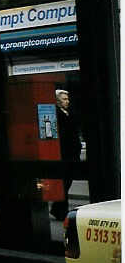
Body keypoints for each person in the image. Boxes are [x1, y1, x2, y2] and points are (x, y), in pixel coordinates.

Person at [51, 89, 80, 220]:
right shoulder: (56, 114)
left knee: (67, 182)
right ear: (57, 101)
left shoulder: (69, 113)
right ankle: (60, 209)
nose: (67, 101)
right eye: (64, 99)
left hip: (72, 152)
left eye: (67, 99)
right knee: (64, 182)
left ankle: (58, 207)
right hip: (64, 152)